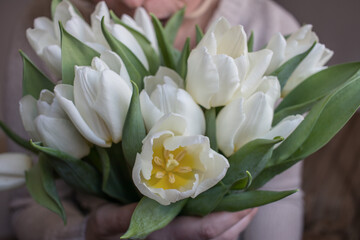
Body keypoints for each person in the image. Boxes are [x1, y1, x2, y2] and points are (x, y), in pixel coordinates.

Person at [2, 0, 303, 239]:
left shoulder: (270, 28)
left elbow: (278, 195)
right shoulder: (53, 23)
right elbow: (27, 203)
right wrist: (87, 233)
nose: (133, 2)